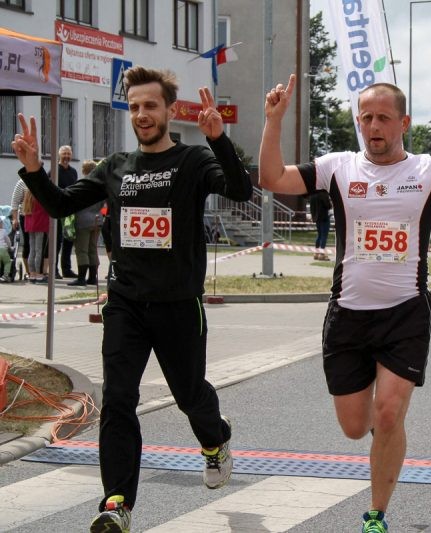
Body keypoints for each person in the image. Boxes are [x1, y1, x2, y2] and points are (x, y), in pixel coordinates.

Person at [258, 75, 431, 533]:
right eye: (367, 118)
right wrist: (274, 122)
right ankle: (386, 436)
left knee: (388, 412)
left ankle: (376, 514)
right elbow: (272, 178)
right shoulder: (338, 167)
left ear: (404, 123)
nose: (374, 126)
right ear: (358, 122)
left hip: (405, 313)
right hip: (348, 314)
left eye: (383, 117)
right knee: (355, 427)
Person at [11, 65, 252, 533]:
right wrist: (36, 170)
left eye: (151, 106)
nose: (142, 114)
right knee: (118, 400)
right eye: (135, 106)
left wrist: (219, 140)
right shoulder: (115, 167)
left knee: (189, 395)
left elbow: (240, 190)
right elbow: (60, 204)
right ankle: (116, 503)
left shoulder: (193, 160)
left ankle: (215, 438)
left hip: (178, 304)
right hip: (125, 304)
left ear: (168, 111)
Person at [67, 160, 103, 287]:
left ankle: (81, 278)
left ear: (83, 171)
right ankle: (93, 278)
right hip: (97, 219)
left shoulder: (82, 184)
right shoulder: (101, 185)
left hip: (83, 220)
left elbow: (74, 200)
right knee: (93, 249)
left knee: (82, 250)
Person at [49, 145, 78, 278]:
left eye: (68, 154)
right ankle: (53, 270)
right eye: (64, 154)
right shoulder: (54, 170)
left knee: (68, 240)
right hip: (57, 210)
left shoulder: (73, 172)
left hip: (69, 212)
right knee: (56, 241)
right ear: (59, 155)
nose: (66, 156)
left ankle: (66, 269)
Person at [10, 178, 31, 280]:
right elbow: (15, 202)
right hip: (26, 215)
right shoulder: (22, 182)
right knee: (27, 243)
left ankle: (39, 271)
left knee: (39, 246)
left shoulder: (41, 179)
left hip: (40, 217)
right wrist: (15, 219)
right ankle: (28, 271)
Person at [309, 190, 332, 260]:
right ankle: (321, 254)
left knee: (319, 235)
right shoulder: (323, 194)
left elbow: (311, 207)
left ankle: (316, 253)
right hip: (324, 217)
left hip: (316, 218)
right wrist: (330, 204)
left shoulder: (312, 195)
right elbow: (328, 205)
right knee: (324, 236)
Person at [0, 216, 12, 282]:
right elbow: (8, 241)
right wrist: (10, 247)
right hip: (3, 250)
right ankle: (5, 275)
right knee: (7, 262)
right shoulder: (3, 231)